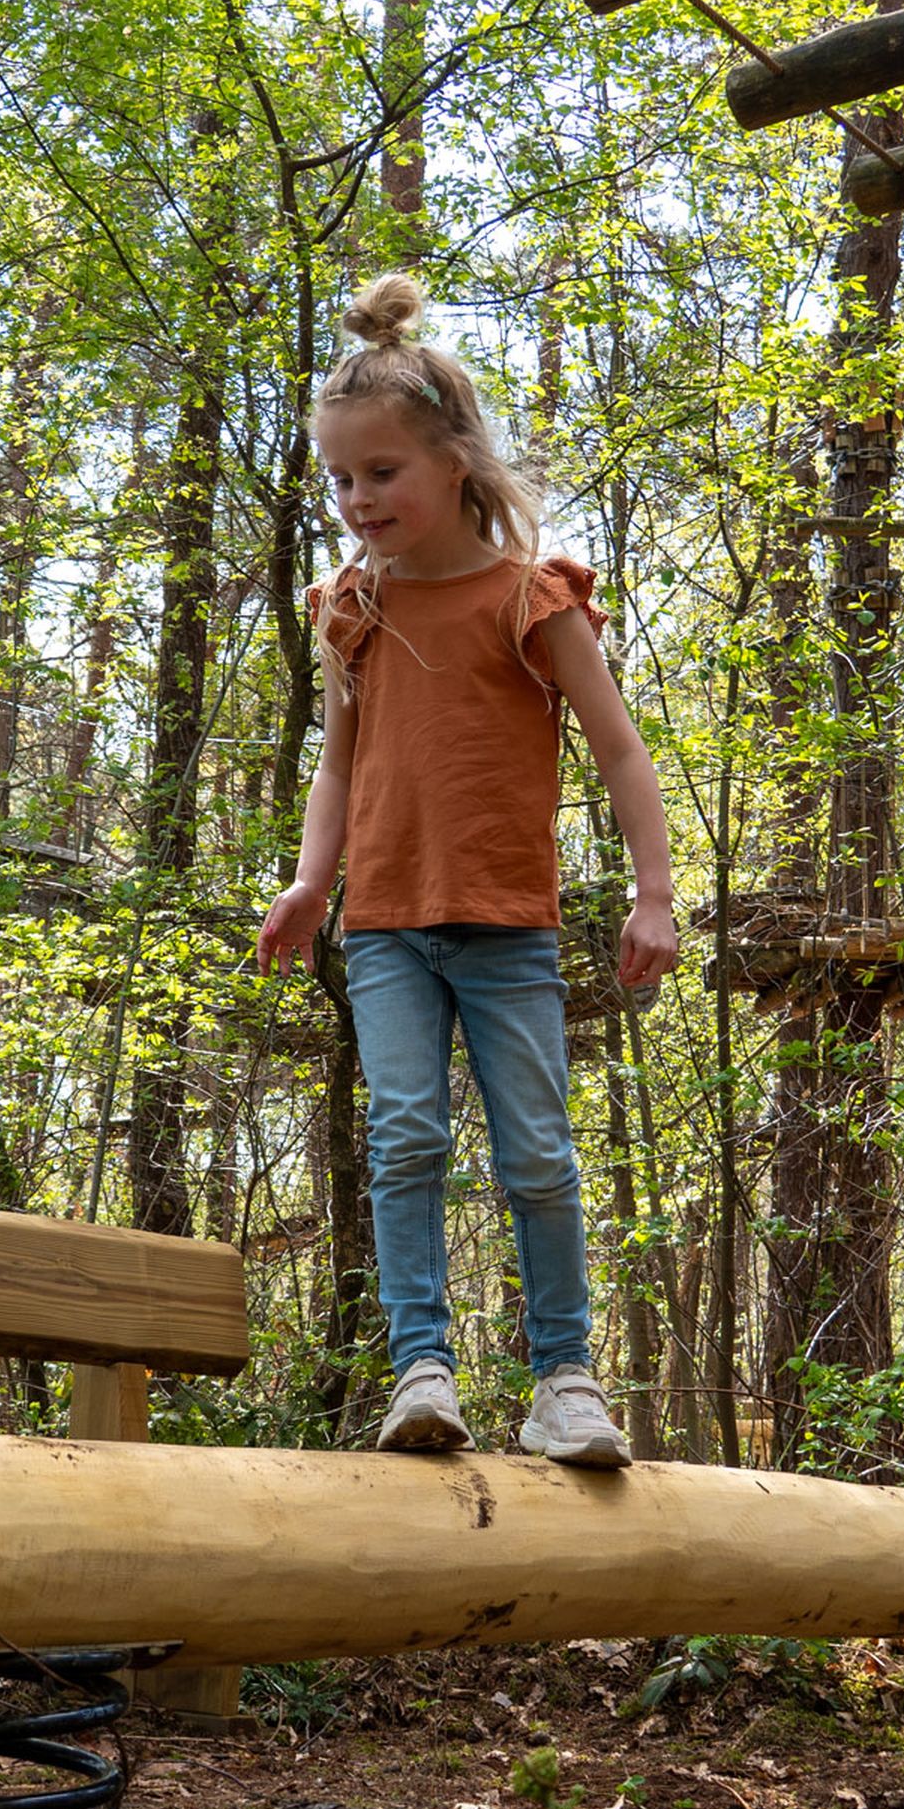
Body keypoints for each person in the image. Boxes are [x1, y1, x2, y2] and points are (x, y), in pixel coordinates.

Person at [254, 273, 681, 1467]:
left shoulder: (527, 602)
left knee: (536, 1149)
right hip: (385, 924)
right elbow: (338, 769)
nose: (357, 499)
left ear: (453, 462)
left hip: (505, 924)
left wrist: (654, 896)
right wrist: (309, 881)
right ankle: (422, 1369)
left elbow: (618, 748)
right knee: (405, 1140)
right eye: (340, 479)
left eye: (381, 473)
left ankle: (564, 1381)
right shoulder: (351, 608)